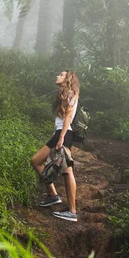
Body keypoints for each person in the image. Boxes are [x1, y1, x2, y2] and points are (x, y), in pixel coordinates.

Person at [30, 70, 79, 222]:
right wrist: (56, 133)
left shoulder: (71, 92)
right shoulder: (64, 93)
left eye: (61, 74)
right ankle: (53, 195)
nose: (58, 75)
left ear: (68, 79)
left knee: (67, 171)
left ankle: (72, 211)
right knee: (36, 161)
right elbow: (62, 117)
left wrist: (62, 137)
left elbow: (69, 117)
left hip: (64, 134)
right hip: (60, 133)